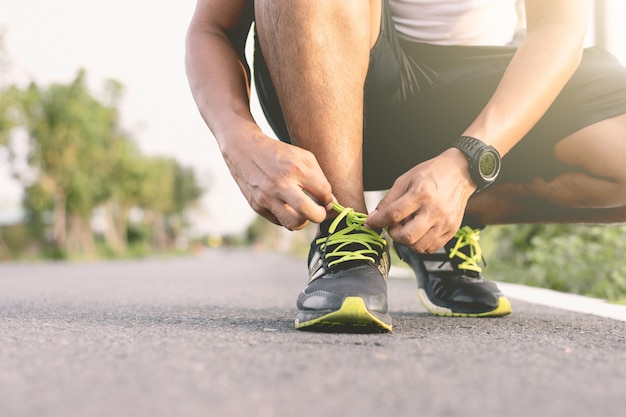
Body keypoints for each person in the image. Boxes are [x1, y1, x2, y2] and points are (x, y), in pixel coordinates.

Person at [185, 0, 626, 333]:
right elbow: (213, 27)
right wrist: (237, 138)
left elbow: (559, 27)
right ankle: (348, 234)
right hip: (345, 80)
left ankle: (437, 225)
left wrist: (468, 164)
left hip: (488, 98)